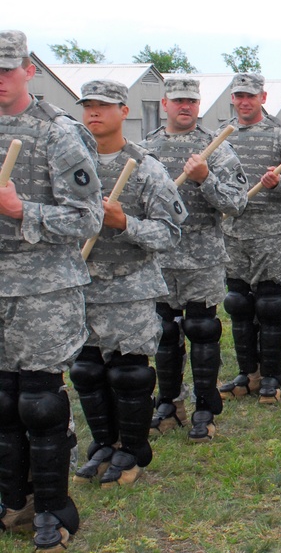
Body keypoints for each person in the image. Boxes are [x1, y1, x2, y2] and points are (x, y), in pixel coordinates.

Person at [0, 31, 103, 550]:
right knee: (2, 401)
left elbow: (87, 219)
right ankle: (11, 499)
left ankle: (51, 507)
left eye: (7, 68)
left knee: (39, 402)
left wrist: (25, 212)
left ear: (28, 71)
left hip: (42, 289)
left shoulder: (58, 133)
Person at [71, 79, 186, 491]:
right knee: (86, 371)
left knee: (129, 373)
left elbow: (170, 232)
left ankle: (133, 449)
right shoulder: (69, 164)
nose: (94, 113)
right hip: (79, 283)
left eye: (104, 105)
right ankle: (104, 442)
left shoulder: (145, 167)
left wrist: (125, 224)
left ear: (124, 111)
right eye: (88, 106)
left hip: (129, 287)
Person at [142, 78, 247, 442]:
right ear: (164, 103)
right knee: (164, 334)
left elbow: (237, 203)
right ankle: (170, 403)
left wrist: (206, 179)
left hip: (201, 258)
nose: (184, 106)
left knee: (202, 331)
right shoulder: (147, 149)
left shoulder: (214, 148)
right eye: (178, 100)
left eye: (191, 100)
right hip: (159, 259)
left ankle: (206, 406)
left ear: (198, 105)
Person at [218, 73, 281, 404]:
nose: (245, 101)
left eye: (251, 96)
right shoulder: (223, 137)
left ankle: (272, 374)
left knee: (270, 304)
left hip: (271, 233)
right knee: (239, 304)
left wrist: (280, 183)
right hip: (234, 233)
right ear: (233, 98)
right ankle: (249, 372)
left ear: (263, 97)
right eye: (239, 95)